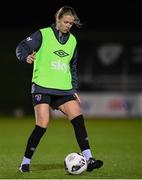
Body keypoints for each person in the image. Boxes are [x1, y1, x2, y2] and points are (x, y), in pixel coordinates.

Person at [16, 6, 103, 173]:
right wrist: (26, 57)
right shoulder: (43, 34)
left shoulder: (73, 41)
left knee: (78, 117)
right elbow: (21, 48)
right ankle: (25, 163)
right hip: (42, 86)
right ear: (58, 19)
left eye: (71, 23)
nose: (68, 25)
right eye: (66, 22)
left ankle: (89, 158)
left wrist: (73, 87)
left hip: (64, 89)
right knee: (42, 124)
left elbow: (72, 66)